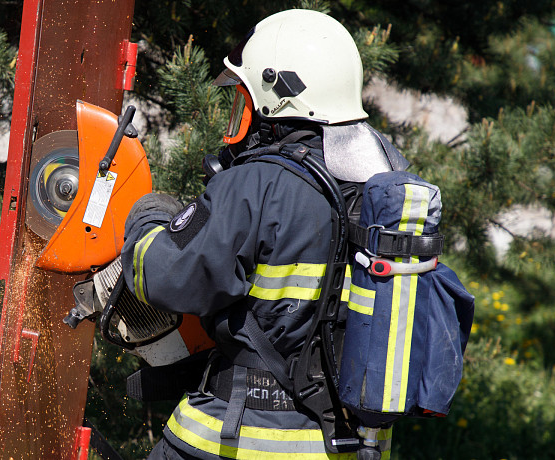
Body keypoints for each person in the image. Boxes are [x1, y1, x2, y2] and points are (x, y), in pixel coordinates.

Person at [121, 9, 408, 459]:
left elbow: (163, 275)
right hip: (353, 443)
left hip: (244, 439)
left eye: (246, 100)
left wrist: (147, 217)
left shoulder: (259, 184)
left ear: (279, 95)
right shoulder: (389, 180)